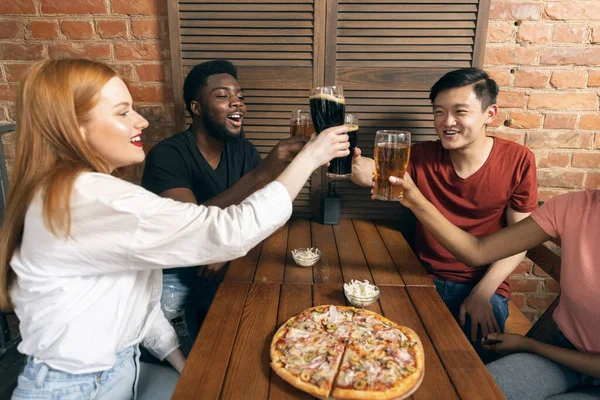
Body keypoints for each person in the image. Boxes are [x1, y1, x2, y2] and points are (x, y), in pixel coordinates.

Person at [1, 58, 349, 399]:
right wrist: (310, 158)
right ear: (74, 128)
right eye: (123, 112)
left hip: (124, 369)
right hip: (75, 388)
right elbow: (229, 231)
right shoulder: (88, 198)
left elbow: (138, 304)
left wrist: (185, 365)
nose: (141, 122)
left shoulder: (76, 190)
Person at [351, 68, 538, 357]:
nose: (447, 122)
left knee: (469, 363)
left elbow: (520, 241)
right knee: (385, 351)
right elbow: (376, 172)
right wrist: (355, 169)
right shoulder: (422, 155)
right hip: (422, 278)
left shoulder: (518, 160)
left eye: (459, 111)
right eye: (439, 112)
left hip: (484, 284)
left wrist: (483, 292)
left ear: (490, 114)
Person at [141, 60, 308, 354]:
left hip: (229, 272)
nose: (238, 104)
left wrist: (227, 252)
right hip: (175, 279)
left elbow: (264, 216)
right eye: (222, 96)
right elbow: (190, 228)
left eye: (240, 97)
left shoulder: (244, 151)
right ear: (196, 108)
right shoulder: (167, 155)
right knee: (197, 366)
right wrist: (262, 173)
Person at [387, 174, 600, 399]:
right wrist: (413, 199)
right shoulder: (574, 207)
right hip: (562, 352)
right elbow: (477, 251)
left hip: (557, 354)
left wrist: (530, 345)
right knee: (471, 392)